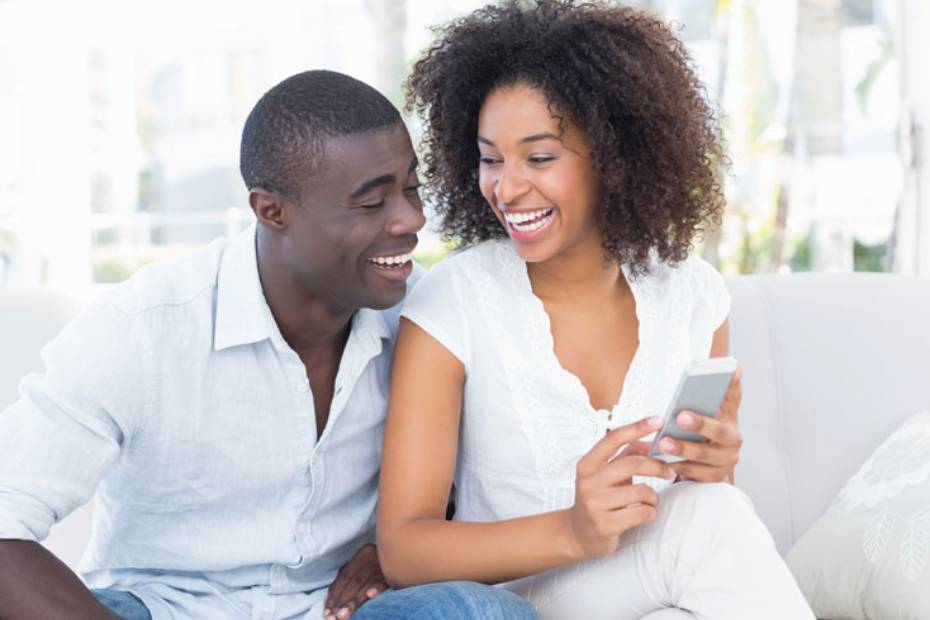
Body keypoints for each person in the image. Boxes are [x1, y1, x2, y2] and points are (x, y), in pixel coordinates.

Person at [0, 70, 535, 620]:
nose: (412, 219)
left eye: (411, 188)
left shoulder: (425, 317)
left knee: (481, 612)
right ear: (271, 211)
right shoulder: (142, 329)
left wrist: (395, 548)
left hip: (338, 610)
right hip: (160, 608)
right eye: (372, 202)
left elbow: (468, 482)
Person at [376, 2, 816, 619]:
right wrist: (572, 531)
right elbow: (402, 550)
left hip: (652, 587)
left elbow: (701, 528)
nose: (506, 188)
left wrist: (713, 470)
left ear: (615, 156)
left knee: (708, 522)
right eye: (491, 158)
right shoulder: (454, 302)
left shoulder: (693, 294)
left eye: (539, 158)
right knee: (710, 520)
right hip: (518, 598)